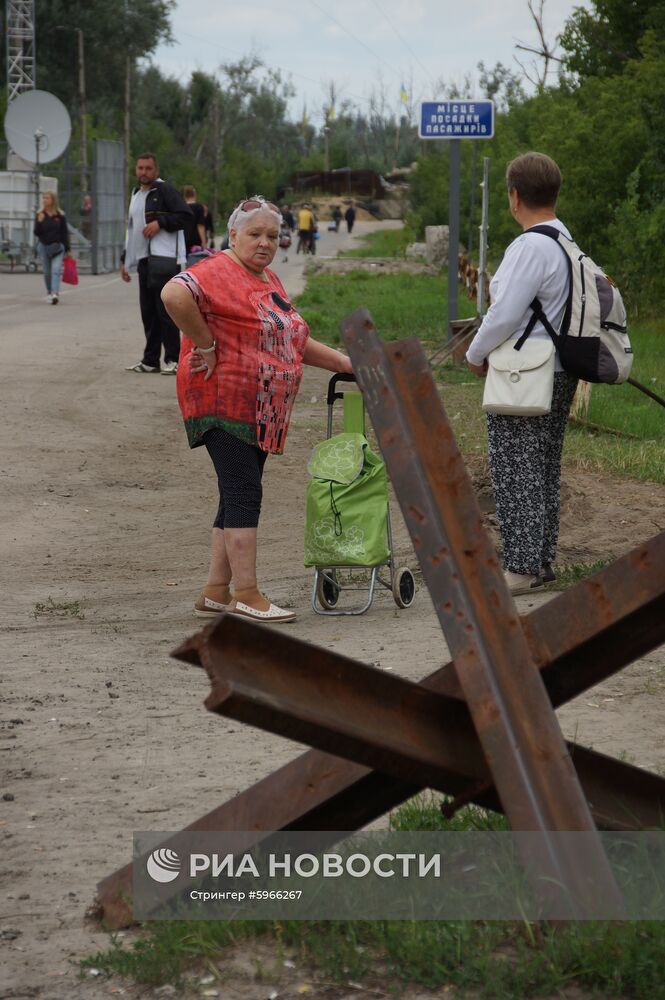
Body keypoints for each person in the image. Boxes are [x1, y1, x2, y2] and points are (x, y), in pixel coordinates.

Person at [161, 196, 353, 624]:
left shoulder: (266, 278)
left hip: (260, 407)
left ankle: (215, 590)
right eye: (255, 234)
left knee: (234, 494)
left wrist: (342, 362)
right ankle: (246, 593)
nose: (265, 242)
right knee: (245, 492)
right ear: (232, 235)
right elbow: (173, 294)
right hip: (223, 401)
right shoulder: (215, 270)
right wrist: (206, 344)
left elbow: (292, 339)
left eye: (271, 235)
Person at [465, 151, 578, 596]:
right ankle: (542, 561)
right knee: (544, 467)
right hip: (562, 367)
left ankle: (520, 566)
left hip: (526, 369)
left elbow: (503, 313)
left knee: (515, 468)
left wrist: (475, 354)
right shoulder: (566, 240)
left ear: (514, 196)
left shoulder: (529, 246)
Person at [120, 152, 191, 375]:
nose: (144, 172)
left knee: (166, 312)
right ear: (135, 170)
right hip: (144, 260)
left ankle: (174, 359)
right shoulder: (135, 194)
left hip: (164, 259)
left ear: (156, 170)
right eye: (140, 168)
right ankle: (150, 360)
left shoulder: (164, 190)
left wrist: (160, 222)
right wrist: (125, 260)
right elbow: (131, 231)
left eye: (148, 168)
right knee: (148, 312)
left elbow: (185, 216)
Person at [34, 191, 70, 304]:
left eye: (47, 198)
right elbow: (36, 233)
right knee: (47, 272)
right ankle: (49, 292)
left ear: (53, 200)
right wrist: (39, 222)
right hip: (44, 247)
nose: (44, 200)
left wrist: (68, 249)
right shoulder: (40, 214)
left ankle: (55, 293)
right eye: (43, 198)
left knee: (56, 270)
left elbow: (64, 232)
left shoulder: (60, 215)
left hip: (58, 247)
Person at [182, 185, 206, 253]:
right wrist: (203, 242)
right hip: (196, 240)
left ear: (185, 195)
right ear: (194, 194)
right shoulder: (199, 207)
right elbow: (200, 225)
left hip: (184, 239)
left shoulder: (182, 207)